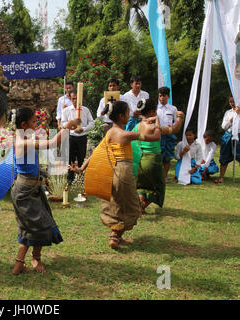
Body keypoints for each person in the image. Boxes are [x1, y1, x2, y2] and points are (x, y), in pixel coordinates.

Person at [72, 101, 161, 249]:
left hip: (110, 171)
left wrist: (81, 168)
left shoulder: (110, 133)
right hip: (123, 172)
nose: (129, 115)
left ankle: (116, 236)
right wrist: (157, 123)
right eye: (127, 113)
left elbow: (96, 153)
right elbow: (155, 137)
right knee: (130, 205)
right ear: (121, 116)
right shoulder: (126, 134)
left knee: (116, 203)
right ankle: (115, 236)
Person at [12, 107, 80, 275]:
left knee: (37, 224)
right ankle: (29, 261)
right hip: (24, 192)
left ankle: (24, 262)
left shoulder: (25, 139)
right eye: (34, 121)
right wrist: (67, 126)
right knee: (38, 225)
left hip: (31, 189)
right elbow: (52, 143)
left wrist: (45, 173)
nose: (36, 125)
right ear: (23, 124)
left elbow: (29, 166)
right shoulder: (22, 142)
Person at [131, 99, 184, 214]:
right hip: (152, 161)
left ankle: (140, 206)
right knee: (159, 187)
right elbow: (174, 129)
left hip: (139, 161)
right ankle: (141, 207)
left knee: (142, 186)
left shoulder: (136, 127)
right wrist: (180, 118)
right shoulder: (153, 128)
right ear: (151, 112)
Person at [61, 90, 95, 184]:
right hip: (71, 137)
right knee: (70, 157)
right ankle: (70, 178)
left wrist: (83, 129)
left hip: (82, 137)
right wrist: (72, 129)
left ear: (81, 99)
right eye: (73, 99)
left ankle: (81, 177)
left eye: (77, 99)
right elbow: (63, 123)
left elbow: (92, 123)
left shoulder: (85, 110)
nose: (75, 101)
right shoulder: (66, 110)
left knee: (81, 157)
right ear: (70, 99)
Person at [215, 97, 240, 183]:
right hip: (228, 135)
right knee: (224, 156)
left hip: (239, 135)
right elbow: (224, 126)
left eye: (234, 102)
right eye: (230, 102)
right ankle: (221, 177)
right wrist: (231, 120)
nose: (232, 104)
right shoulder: (228, 112)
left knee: (239, 155)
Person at [156, 86, 178, 182]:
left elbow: (177, 121)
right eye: (160, 96)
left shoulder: (173, 109)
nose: (162, 98)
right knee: (158, 156)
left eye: (164, 96)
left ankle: (165, 177)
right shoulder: (155, 108)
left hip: (169, 135)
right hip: (158, 135)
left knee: (167, 157)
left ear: (168, 96)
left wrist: (172, 127)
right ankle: (158, 177)